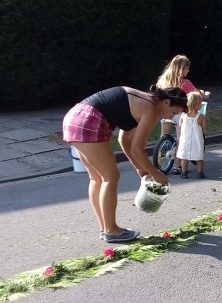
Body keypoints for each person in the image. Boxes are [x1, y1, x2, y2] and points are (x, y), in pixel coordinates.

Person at [63, 85, 188, 243]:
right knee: (111, 177)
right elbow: (137, 149)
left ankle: (105, 228)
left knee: (97, 179)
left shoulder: (143, 102)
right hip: (90, 120)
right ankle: (112, 230)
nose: (171, 117)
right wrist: (156, 174)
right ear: (166, 102)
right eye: (174, 112)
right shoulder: (150, 108)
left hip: (74, 117)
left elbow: (125, 140)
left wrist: (139, 167)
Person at [156, 55, 211, 137]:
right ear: (181, 69)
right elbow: (196, 93)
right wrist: (205, 95)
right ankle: (179, 148)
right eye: (187, 68)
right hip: (178, 112)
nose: (188, 70)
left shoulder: (163, 81)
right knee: (181, 136)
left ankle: (161, 147)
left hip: (164, 111)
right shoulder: (185, 82)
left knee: (164, 135)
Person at [176, 91, 207, 179]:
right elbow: (204, 127)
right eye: (200, 103)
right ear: (196, 104)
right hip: (197, 140)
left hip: (185, 140)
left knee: (184, 157)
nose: (201, 105)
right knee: (199, 157)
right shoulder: (200, 116)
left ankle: (184, 172)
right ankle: (200, 172)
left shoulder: (183, 115)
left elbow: (180, 125)